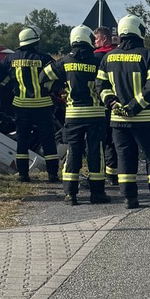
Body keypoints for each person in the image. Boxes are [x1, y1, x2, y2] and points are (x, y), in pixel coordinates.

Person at [95, 15, 150, 208]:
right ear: (138, 31)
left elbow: (100, 86)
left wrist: (113, 103)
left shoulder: (108, 57)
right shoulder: (147, 55)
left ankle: (129, 198)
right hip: (144, 118)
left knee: (125, 157)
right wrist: (135, 106)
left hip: (118, 120)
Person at [44, 25, 111, 205]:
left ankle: (70, 194)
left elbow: (43, 77)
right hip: (96, 114)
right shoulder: (98, 61)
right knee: (95, 152)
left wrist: (58, 90)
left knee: (73, 151)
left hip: (73, 115)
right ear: (88, 39)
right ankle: (97, 193)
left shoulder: (65, 61)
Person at [0, 26, 60, 183]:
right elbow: (56, 76)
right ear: (35, 42)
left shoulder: (11, 58)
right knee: (48, 140)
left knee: (22, 140)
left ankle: (23, 174)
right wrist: (49, 89)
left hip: (21, 106)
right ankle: (52, 174)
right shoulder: (45, 59)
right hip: (43, 106)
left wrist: (10, 85)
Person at [93, 26, 118, 185]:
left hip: (99, 104)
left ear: (103, 39)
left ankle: (99, 175)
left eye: (96, 39)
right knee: (112, 140)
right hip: (114, 103)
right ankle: (113, 174)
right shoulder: (117, 55)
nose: (94, 42)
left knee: (99, 142)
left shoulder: (96, 57)